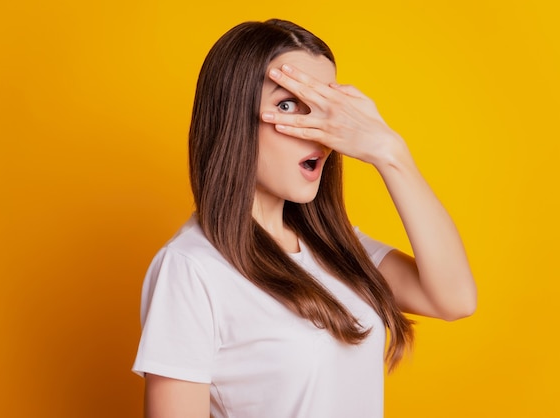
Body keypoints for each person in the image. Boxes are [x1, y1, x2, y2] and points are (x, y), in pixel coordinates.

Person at [133, 18, 476, 418]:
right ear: (233, 117)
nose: (319, 132)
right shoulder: (192, 268)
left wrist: (390, 152)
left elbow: (454, 299)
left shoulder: (335, 248)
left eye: (326, 109)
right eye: (287, 105)